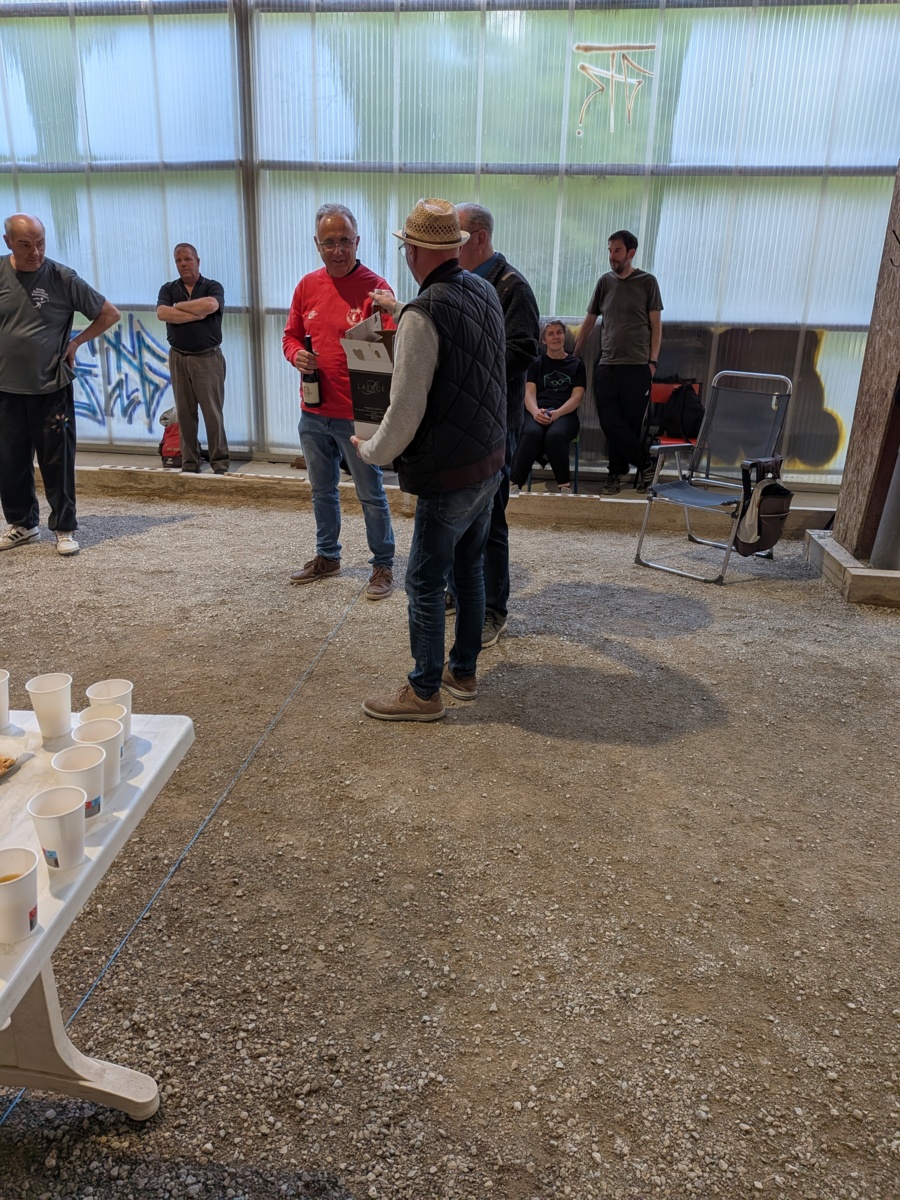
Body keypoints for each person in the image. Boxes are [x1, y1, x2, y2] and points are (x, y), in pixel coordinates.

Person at [350, 198, 506, 722]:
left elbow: (404, 410)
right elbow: (455, 337)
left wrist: (371, 451)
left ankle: (423, 691)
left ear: (413, 251)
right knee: (469, 569)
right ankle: (462, 671)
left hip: (448, 471)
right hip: (488, 459)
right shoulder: (482, 289)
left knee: (423, 580)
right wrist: (402, 311)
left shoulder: (424, 313)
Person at [282, 203, 396, 600]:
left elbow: (393, 343)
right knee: (322, 489)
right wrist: (296, 354)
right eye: (329, 242)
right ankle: (327, 556)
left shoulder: (375, 288)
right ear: (317, 244)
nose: (337, 250)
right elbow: (290, 335)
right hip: (314, 411)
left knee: (370, 492)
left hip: (358, 414)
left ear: (357, 241)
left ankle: (383, 564)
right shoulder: (306, 286)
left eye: (345, 241)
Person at [0, 213, 120, 557]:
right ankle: (23, 524)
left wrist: (76, 342)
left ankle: (64, 528)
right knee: (9, 461)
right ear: (8, 242)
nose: (35, 252)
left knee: (57, 462)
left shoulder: (62, 277)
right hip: (6, 389)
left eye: (40, 243)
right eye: (25, 245)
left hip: (51, 387)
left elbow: (109, 313)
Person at [456, 203, 539, 647]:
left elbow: (523, 350)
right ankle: (462, 592)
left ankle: (493, 609)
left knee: (491, 516)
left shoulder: (512, 287)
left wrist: (471, 369)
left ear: (480, 238)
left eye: (456, 237)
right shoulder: (462, 281)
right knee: (460, 511)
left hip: (497, 422)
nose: (449, 246)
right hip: (465, 420)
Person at [573, 229, 663, 494]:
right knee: (610, 422)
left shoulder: (648, 282)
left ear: (631, 253)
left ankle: (615, 473)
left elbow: (656, 326)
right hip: (607, 365)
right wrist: (575, 356)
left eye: (617, 251)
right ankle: (646, 463)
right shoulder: (605, 283)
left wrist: (653, 361)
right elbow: (589, 322)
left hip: (637, 366)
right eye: (610, 251)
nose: (612, 256)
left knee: (630, 425)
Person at [156, 243, 230, 474]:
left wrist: (178, 308)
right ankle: (189, 463)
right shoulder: (168, 288)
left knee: (212, 414)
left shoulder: (212, 286)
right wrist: (196, 313)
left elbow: (211, 304)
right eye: (178, 261)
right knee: (185, 415)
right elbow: (162, 313)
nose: (183, 264)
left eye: (187, 259)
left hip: (208, 358)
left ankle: (220, 463)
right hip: (178, 357)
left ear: (198, 261)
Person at [509, 318, 585, 494]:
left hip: (565, 414)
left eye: (559, 332)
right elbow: (528, 393)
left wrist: (558, 413)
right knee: (531, 432)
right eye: (550, 334)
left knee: (555, 435)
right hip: (537, 410)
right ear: (544, 340)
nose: (555, 337)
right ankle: (515, 484)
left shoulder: (577, 364)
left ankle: (564, 486)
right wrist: (536, 412)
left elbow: (577, 397)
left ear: (564, 336)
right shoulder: (535, 363)